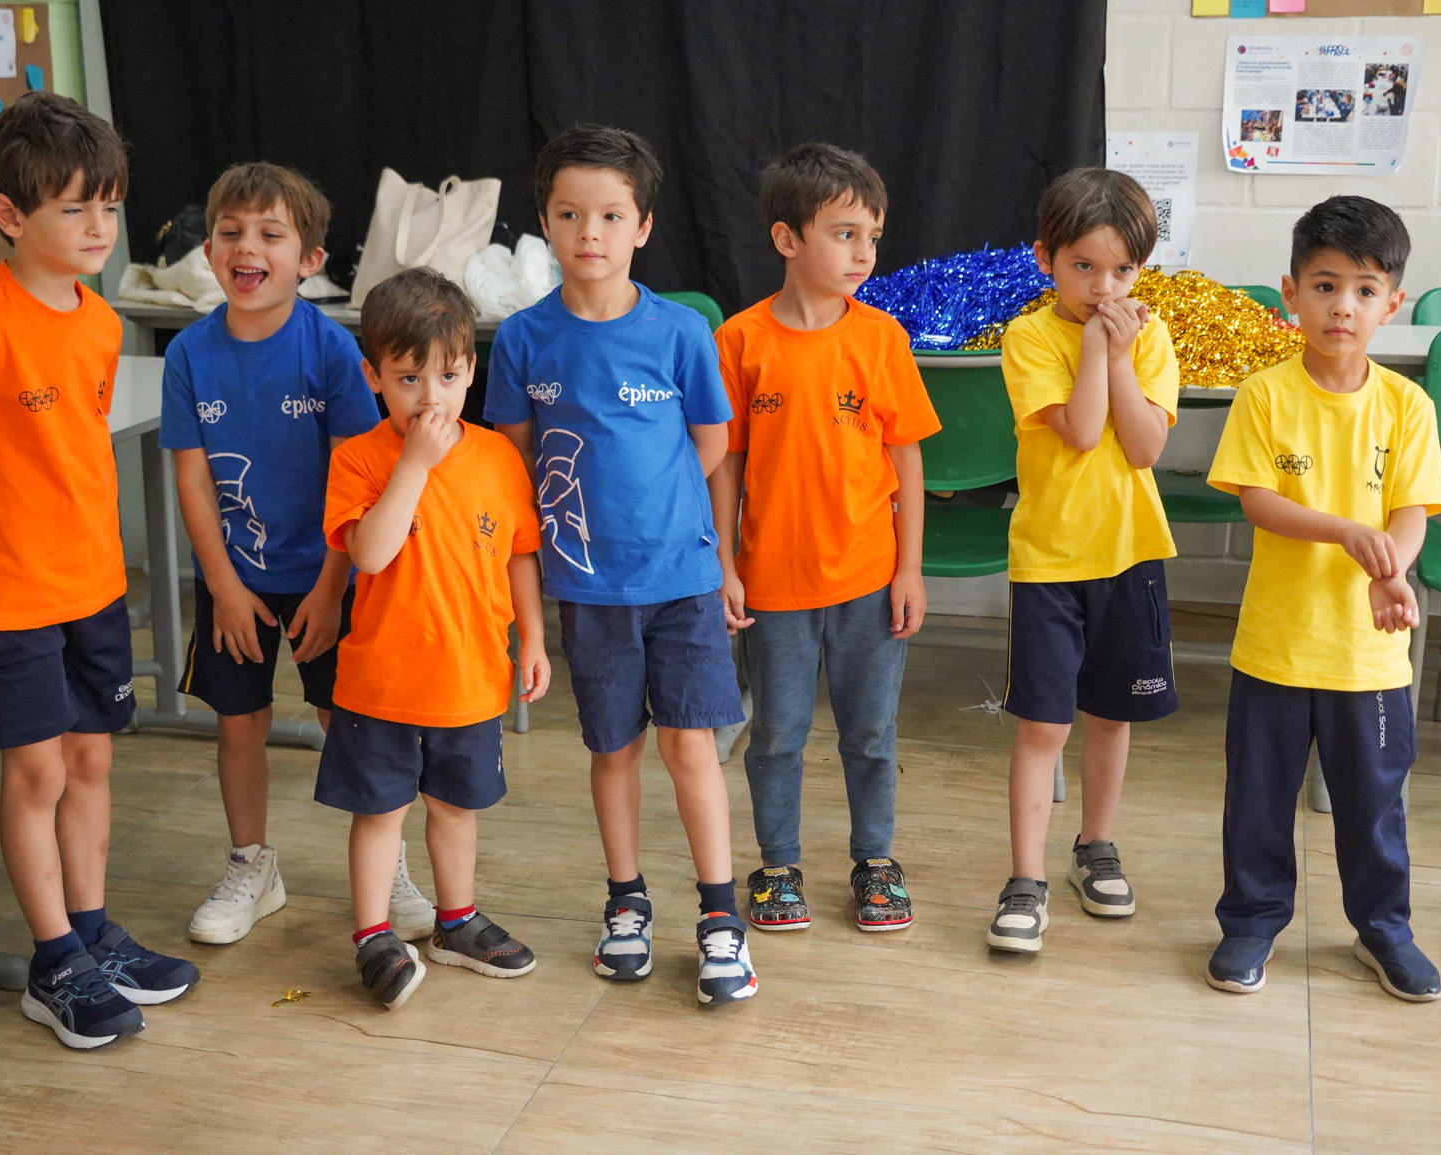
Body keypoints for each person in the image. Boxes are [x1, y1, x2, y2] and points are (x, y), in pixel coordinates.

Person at [0, 92, 197, 1049]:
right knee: (38, 770)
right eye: (76, 208)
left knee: (91, 757)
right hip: (5, 590)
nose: (101, 227)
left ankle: (91, 930)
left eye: (111, 205)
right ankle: (53, 961)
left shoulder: (98, 321)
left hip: (91, 580)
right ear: (12, 215)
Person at [484, 124, 757, 1005]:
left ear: (641, 226)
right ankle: (627, 901)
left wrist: (677, 530)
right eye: (569, 214)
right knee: (614, 746)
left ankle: (720, 915)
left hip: (681, 579)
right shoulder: (522, 339)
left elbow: (711, 444)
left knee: (691, 743)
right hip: (587, 588)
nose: (589, 232)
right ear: (545, 222)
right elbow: (514, 461)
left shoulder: (680, 332)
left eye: (610, 215)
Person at [160, 162, 435, 945]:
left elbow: (356, 481)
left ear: (310, 259)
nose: (247, 247)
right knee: (239, 723)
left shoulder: (332, 352)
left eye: (270, 234)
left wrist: (329, 588)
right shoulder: (189, 355)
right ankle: (252, 863)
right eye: (231, 232)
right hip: (234, 581)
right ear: (209, 251)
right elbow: (193, 482)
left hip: (326, 576)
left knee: (347, 722)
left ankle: (390, 867)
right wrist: (222, 586)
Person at [1204, 196, 1441, 1002]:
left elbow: (1410, 512)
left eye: (1364, 289)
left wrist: (1391, 568)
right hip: (1275, 645)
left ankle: (1384, 930)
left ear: (1392, 303)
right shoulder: (1264, 394)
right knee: (1258, 800)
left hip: (1368, 657)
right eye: (1325, 285)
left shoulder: (1407, 405)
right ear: (1291, 293)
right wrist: (1346, 532)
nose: (1343, 305)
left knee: (1374, 805)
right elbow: (1257, 501)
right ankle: (1251, 921)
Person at [708, 143, 939, 934]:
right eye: (845, 233)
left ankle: (875, 861)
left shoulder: (881, 338)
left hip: (870, 581)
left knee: (870, 733)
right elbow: (725, 463)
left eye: (872, 236)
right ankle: (777, 867)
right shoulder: (740, 340)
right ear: (786, 239)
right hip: (772, 585)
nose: (864, 252)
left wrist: (910, 568)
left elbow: (906, 461)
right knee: (775, 734)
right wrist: (724, 562)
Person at [314, 267, 550, 1011]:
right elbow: (370, 553)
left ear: (471, 370)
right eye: (408, 378)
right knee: (380, 812)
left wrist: (534, 639)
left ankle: (456, 921)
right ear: (374, 378)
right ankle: (372, 936)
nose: (430, 397)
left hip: (471, 677)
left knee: (455, 806)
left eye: (447, 376)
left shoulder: (498, 458)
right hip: (382, 683)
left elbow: (520, 554)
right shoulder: (359, 458)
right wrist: (414, 464)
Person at [986, 168, 1180, 955]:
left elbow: (1143, 445)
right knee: (1043, 723)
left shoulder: (1151, 336)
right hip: (1050, 561)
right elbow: (1080, 428)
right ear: (1046, 259)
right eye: (1084, 267)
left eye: (1123, 270)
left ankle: (1094, 845)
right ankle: (1025, 878)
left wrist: (1120, 354)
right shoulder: (1030, 337)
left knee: (1111, 715)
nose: (1105, 288)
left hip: (1130, 555)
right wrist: (1099, 345)